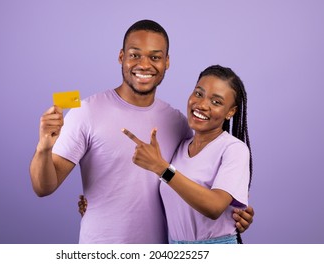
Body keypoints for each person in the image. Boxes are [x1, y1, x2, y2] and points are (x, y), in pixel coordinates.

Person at [30, 19, 254, 244]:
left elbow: (201, 186)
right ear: (121, 57)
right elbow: (43, 187)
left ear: (166, 63)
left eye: (155, 57)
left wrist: (234, 213)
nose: (145, 65)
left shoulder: (178, 122)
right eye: (135, 55)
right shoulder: (86, 111)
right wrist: (43, 149)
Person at [122, 65, 252, 244]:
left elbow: (214, 207)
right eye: (199, 94)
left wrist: (162, 169)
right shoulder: (180, 147)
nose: (202, 105)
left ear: (230, 112)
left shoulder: (233, 149)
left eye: (216, 102)